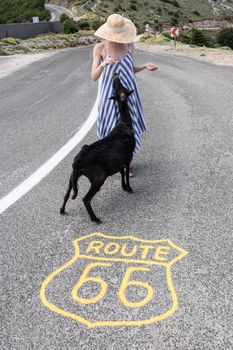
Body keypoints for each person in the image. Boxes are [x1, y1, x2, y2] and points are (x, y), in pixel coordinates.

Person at [92, 14, 158, 175]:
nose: (118, 39)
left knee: (129, 128)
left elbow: (130, 69)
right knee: (110, 127)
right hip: (109, 95)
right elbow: (94, 76)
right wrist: (103, 64)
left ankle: (125, 163)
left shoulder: (129, 45)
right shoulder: (100, 48)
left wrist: (145, 66)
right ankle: (111, 161)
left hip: (129, 95)